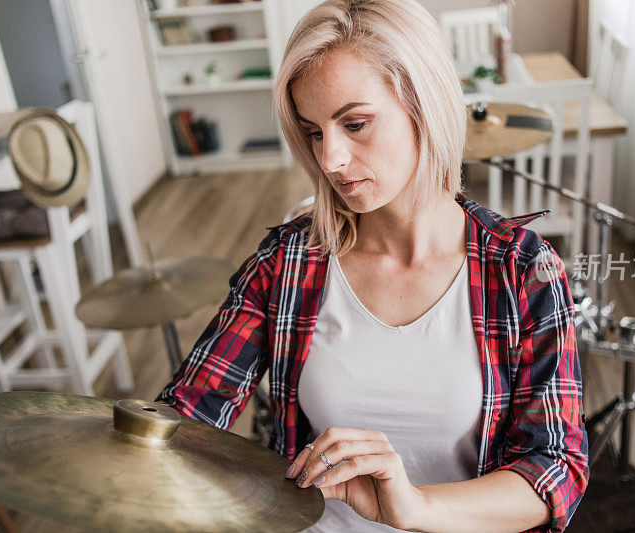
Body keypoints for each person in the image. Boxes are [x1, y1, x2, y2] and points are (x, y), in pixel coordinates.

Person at [156, 0, 588, 531]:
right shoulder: (288, 264)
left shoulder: (522, 271)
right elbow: (190, 414)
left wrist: (417, 507)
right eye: (314, 132)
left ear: (423, 104)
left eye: (354, 124)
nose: (330, 159)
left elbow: (555, 469)